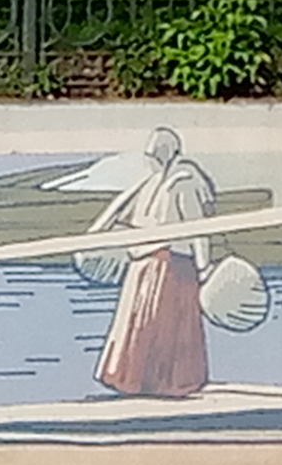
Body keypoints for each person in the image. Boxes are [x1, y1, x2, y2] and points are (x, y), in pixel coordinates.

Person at [87, 127, 217, 398]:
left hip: (171, 264)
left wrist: (204, 266)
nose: (151, 160)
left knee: (159, 325)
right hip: (149, 264)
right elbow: (120, 212)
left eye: (154, 154)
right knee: (144, 324)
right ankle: (137, 379)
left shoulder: (183, 182)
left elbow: (196, 228)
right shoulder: (152, 183)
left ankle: (161, 382)